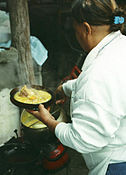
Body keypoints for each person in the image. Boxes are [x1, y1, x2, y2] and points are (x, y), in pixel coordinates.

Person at [28, 0, 126, 174]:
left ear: (86, 29)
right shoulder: (120, 46)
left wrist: (50, 122)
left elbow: (82, 139)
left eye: (75, 30)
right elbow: (111, 86)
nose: (76, 35)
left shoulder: (97, 75)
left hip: (115, 165)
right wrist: (66, 87)